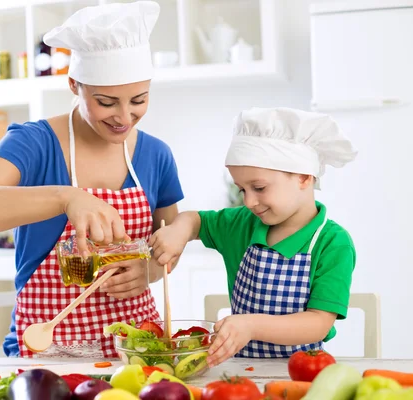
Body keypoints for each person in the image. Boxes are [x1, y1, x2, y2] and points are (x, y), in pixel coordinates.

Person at [0, 1, 184, 358]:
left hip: (136, 349)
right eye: (107, 102)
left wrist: (149, 270)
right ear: (74, 84)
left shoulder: (157, 154)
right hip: (47, 350)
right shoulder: (33, 143)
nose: (125, 116)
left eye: (139, 99)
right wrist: (66, 197)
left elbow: (167, 246)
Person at [149, 107, 358, 366]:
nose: (248, 201)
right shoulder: (242, 224)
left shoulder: (332, 243)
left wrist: (251, 326)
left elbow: (318, 323)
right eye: (242, 189)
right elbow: (195, 220)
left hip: (303, 371)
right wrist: (178, 231)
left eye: (258, 188)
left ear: (304, 176)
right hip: (241, 372)